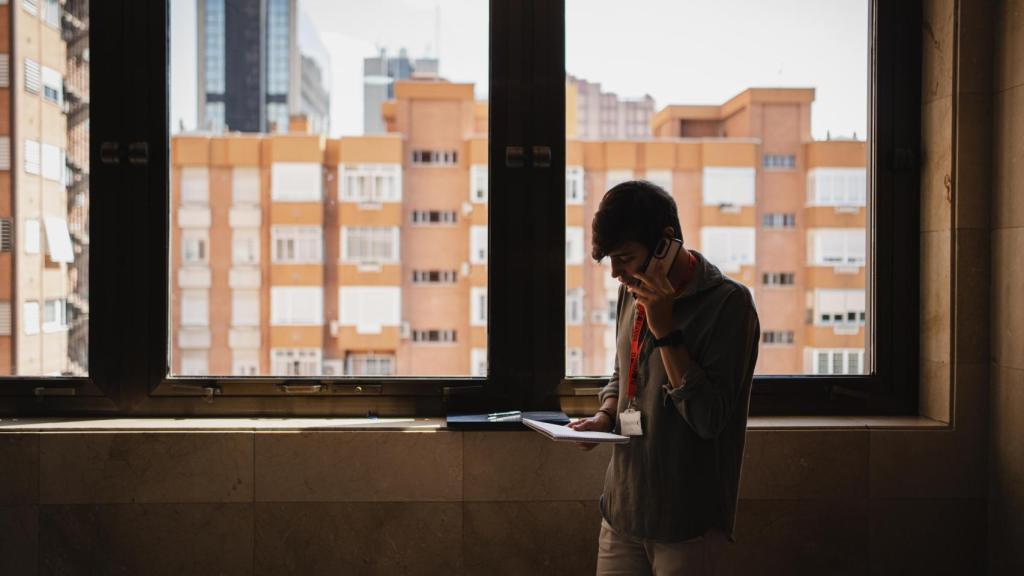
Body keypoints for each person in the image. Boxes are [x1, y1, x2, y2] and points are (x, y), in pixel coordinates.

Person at [570, 180, 760, 575]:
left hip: (687, 522)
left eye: (624, 258)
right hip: (623, 509)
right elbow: (623, 371)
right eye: (610, 261)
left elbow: (709, 418)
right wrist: (605, 415)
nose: (616, 274)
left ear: (665, 244)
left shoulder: (729, 304)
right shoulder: (632, 290)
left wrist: (666, 329)